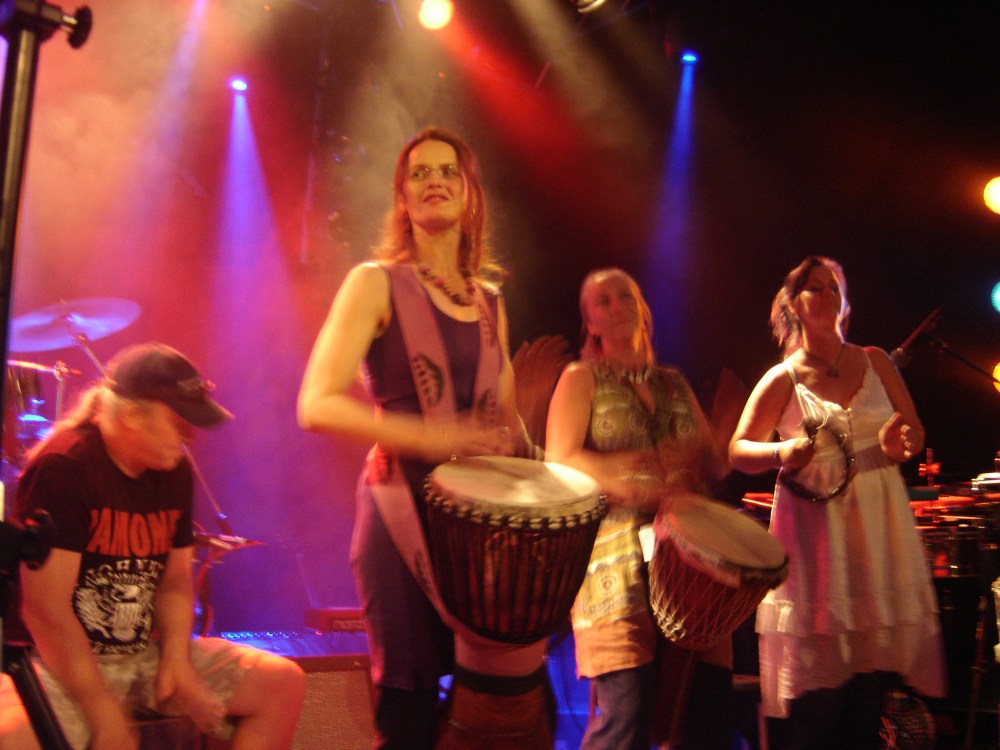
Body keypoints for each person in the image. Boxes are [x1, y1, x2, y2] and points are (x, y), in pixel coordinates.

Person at [297, 127, 529, 749]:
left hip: (475, 523)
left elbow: (504, 422)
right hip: (400, 513)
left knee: (487, 705)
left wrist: (551, 475)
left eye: (448, 171)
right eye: (419, 173)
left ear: (470, 191)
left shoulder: (490, 303)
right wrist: (432, 437)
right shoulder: (374, 282)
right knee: (409, 706)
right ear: (402, 196)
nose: (434, 181)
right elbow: (315, 404)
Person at [0, 342, 306, 750]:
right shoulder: (64, 466)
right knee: (11, 738)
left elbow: (175, 582)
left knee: (281, 684)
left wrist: (177, 663)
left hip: (142, 654)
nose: (189, 436)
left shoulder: (173, 470)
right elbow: (46, 613)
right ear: (131, 415)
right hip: (59, 663)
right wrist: (103, 713)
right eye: (178, 422)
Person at [728, 256, 946, 749]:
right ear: (793, 304)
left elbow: (913, 432)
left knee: (867, 699)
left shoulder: (875, 361)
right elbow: (738, 450)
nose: (827, 295)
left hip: (876, 526)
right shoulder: (783, 377)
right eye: (815, 288)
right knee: (818, 709)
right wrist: (784, 451)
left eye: (834, 287)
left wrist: (899, 446)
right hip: (817, 535)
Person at [545, 267, 732, 750]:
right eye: (602, 301)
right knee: (627, 716)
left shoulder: (674, 383)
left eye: (624, 296)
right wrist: (633, 473)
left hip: (691, 563)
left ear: (643, 309)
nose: (616, 306)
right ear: (590, 323)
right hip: (615, 561)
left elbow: (712, 464)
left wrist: (732, 435)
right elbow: (559, 460)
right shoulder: (581, 378)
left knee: (706, 712)